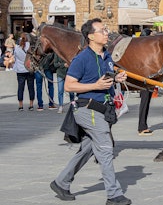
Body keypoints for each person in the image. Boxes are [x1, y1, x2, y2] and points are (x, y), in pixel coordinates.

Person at [51, 18, 132, 205]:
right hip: (88, 110)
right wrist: (95, 85)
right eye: (102, 31)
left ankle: (61, 182)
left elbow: (106, 78)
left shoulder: (107, 56)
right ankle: (113, 195)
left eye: (106, 30)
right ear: (90, 36)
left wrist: (117, 78)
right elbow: (69, 86)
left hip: (103, 110)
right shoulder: (82, 58)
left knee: (87, 149)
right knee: (105, 149)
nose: (106, 33)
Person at [137, 27, 154, 136]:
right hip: (145, 77)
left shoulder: (141, 46)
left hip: (146, 77)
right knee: (145, 101)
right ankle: (142, 126)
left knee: (145, 101)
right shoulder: (144, 47)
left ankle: (143, 125)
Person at [13, 32, 35, 111]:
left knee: (20, 88)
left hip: (20, 70)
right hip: (29, 69)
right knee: (31, 87)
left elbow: (15, 58)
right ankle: (31, 104)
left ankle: (20, 105)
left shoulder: (16, 48)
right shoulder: (29, 46)